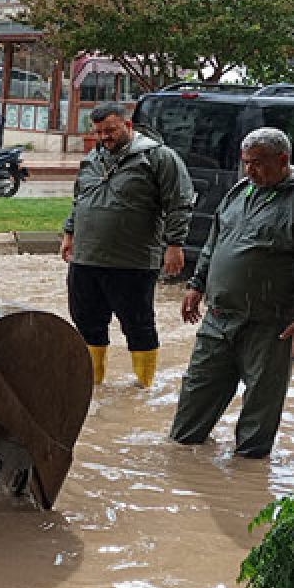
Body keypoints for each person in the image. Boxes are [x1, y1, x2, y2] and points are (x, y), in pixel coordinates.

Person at [169, 127, 294, 458]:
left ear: (283, 160)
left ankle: (248, 478)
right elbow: (214, 243)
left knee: (260, 412)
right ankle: (185, 469)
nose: (250, 170)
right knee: (191, 409)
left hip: (270, 326)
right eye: (246, 162)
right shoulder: (239, 192)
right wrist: (196, 285)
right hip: (218, 319)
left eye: (258, 163)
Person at [60, 102, 194, 388]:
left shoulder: (159, 158)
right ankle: (92, 387)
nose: (105, 137)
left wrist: (175, 245)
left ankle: (144, 388)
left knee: (138, 325)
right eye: (99, 132)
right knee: (86, 323)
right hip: (86, 258)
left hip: (132, 262)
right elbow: (80, 200)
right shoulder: (92, 159)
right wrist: (69, 233)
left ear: (128, 126)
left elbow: (179, 204)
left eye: (110, 130)